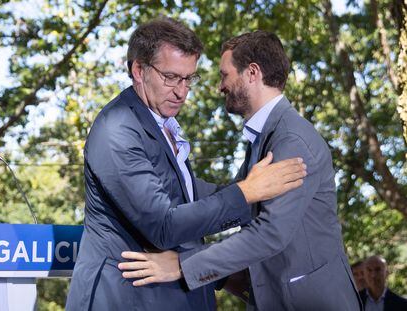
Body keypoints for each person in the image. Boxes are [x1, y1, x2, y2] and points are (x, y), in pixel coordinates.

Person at [65, 18, 306, 311]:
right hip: (131, 299)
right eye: (171, 77)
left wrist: (257, 192)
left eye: (188, 78)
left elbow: (186, 193)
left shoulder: (161, 121)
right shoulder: (117, 129)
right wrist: (246, 193)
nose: (182, 91)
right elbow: (164, 225)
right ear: (138, 70)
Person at [119, 30, 363, 311]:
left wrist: (181, 266)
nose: (220, 86)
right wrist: (171, 176)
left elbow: (269, 233)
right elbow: (239, 199)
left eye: (225, 75)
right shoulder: (267, 135)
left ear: (252, 73)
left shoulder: (291, 140)